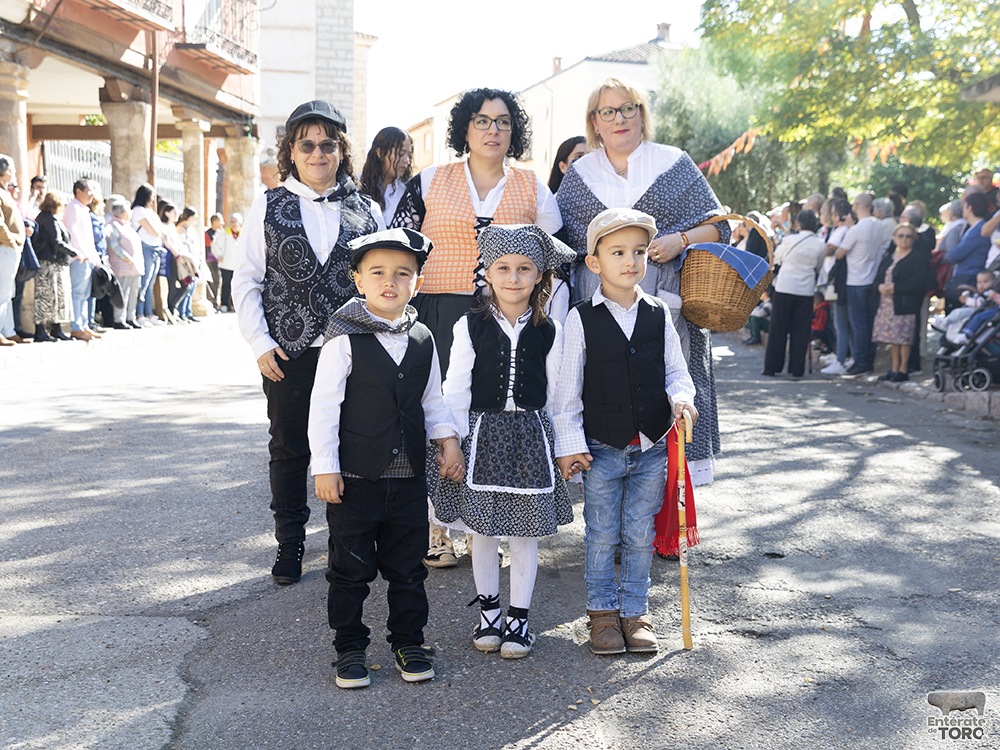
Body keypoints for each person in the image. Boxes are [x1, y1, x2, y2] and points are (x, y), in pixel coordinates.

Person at [391, 87, 561, 566]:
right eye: (483, 120)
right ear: (464, 128)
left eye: (503, 121)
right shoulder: (428, 180)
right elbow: (401, 250)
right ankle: (438, 525)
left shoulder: (533, 188)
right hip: (438, 312)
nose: (493, 129)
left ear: (515, 131)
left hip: (505, 319)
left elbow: (555, 260)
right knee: (437, 410)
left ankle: (489, 523)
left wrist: (541, 310)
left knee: (495, 416)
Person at [232, 99, 384, 586]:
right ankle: (290, 544)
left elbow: (381, 286)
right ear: (291, 153)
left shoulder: (369, 210)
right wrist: (259, 342)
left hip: (350, 352)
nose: (318, 153)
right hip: (289, 353)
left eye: (327, 144)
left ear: (341, 150)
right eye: (307, 145)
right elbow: (246, 280)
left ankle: (345, 542)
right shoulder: (269, 204)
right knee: (289, 449)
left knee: (350, 448)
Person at [307, 228, 463, 689]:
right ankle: (350, 648)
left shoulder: (422, 336)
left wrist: (447, 441)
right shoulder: (343, 336)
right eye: (378, 273)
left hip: (410, 477)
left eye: (403, 273)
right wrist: (326, 468)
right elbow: (324, 406)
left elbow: (432, 399)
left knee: (409, 568)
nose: (390, 281)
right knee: (350, 569)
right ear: (358, 280)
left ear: (417, 282)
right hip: (356, 476)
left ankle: (409, 641)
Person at [556, 77, 728, 486]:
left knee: (667, 387)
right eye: (608, 111)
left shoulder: (672, 161)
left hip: (663, 300)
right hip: (600, 307)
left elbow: (720, 228)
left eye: (628, 108)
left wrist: (680, 239)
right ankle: (608, 509)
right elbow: (563, 242)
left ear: (641, 114)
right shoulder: (580, 172)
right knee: (605, 395)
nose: (620, 118)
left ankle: (662, 519)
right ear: (594, 122)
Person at [552, 207, 697, 655]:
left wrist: (682, 399)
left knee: (639, 533)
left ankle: (635, 612)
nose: (630, 260)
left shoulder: (658, 313)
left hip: (653, 446)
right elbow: (567, 390)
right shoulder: (581, 318)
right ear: (594, 263)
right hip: (602, 448)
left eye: (638, 251)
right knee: (601, 533)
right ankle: (601, 615)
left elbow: (676, 370)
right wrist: (570, 444)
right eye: (617, 252)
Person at [432, 225, 575, 660]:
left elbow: (557, 393)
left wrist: (561, 444)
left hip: (531, 435)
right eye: (504, 268)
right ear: (488, 274)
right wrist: (451, 442)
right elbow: (454, 387)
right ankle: (488, 614)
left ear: (538, 276)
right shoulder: (469, 325)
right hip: (482, 436)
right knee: (483, 530)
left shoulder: (552, 329)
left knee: (524, 533)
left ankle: (519, 619)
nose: (514, 278)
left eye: (524, 269)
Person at [763, 209, 826, 378]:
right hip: (805, 290)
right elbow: (819, 267)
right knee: (801, 329)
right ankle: (797, 369)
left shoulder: (790, 240)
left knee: (778, 328)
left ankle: (772, 366)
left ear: (798, 224)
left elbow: (777, 258)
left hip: (785, 287)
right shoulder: (820, 244)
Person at [834, 193, 884, 375]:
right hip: (873, 280)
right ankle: (868, 358)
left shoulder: (855, 229)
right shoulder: (879, 225)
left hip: (855, 281)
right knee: (869, 322)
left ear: (856, 206)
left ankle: (861, 360)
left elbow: (839, 253)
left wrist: (847, 228)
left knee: (858, 324)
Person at [872, 223, 926, 382]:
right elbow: (877, 278)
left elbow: (918, 282)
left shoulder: (917, 257)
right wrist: (880, 287)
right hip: (886, 303)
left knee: (904, 337)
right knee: (892, 338)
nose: (904, 239)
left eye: (908, 236)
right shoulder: (888, 257)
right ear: (894, 238)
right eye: (901, 236)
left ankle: (903, 370)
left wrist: (897, 288)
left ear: (914, 239)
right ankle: (894, 368)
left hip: (905, 303)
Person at [31, 191, 75, 342]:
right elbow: (56, 241)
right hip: (48, 262)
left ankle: (56, 329)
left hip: (54, 262)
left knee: (56, 298)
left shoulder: (51, 218)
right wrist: (75, 252)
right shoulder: (48, 218)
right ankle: (41, 332)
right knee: (45, 297)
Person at [64, 178, 103, 341]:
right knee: (78, 293)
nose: (91, 195)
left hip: (88, 258)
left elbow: (89, 237)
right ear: (78, 191)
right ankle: (77, 327)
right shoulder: (73, 207)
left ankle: (85, 325)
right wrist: (80, 253)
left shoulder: (84, 209)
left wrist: (94, 257)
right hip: (79, 258)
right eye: (88, 191)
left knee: (86, 294)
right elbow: (72, 232)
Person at [944, 192, 992, 312]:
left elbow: (955, 255)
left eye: (964, 206)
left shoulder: (978, 229)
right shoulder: (973, 228)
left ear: (969, 207)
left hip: (969, 279)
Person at [359, 126, 413, 225]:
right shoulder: (355, 187)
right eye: (401, 154)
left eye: (409, 155)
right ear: (381, 153)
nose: (407, 161)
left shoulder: (407, 192)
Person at [105, 196, 144, 329]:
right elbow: (114, 245)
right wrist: (127, 258)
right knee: (123, 294)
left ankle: (130, 318)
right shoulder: (113, 225)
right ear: (123, 212)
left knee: (133, 294)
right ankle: (119, 319)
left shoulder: (128, 226)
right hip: (123, 267)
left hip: (134, 268)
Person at [0, 155, 26, 346]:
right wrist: (12, 242)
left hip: (10, 247)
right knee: (2, 292)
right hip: (5, 247)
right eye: (13, 169)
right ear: (6, 171)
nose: (14, 172)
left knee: (8, 292)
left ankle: (8, 330)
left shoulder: (4, 191)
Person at [132, 184, 165, 327]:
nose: (153, 198)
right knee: (143, 283)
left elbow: (161, 229)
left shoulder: (149, 211)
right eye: (152, 195)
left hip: (155, 249)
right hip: (145, 247)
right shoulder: (138, 211)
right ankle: (139, 314)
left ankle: (149, 313)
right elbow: (155, 231)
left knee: (150, 284)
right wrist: (159, 231)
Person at [168, 207, 200, 323]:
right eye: (195, 217)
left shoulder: (190, 229)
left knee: (191, 289)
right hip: (186, 262)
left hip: (193, 261)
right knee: (187, 286)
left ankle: (187, 312)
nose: (196, 220)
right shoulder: (180, 229)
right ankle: (181, 312)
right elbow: (180, 245)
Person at [212, 212, 242, 312]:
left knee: (237, 286)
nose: (233, 224)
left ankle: (234, 305)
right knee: (226, 285)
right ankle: (224, 304)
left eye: (235, 221)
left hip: (238, 266)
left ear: (240, 223)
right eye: (232, 221)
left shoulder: (244, 234)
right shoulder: (225, 233)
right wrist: (219, 255)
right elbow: (215, 245)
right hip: (226, 264)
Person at [204, 213, 223, 311]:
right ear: (214, 222)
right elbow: (209, 246)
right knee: (215, 281)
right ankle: (214, 303)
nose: (222, 223)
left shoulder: (221, 232)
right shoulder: (207, 233)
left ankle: (217, 302)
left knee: (219, 281)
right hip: (211, 260)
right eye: (220, 221)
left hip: (222, 261)